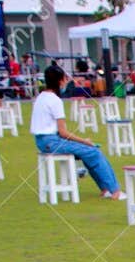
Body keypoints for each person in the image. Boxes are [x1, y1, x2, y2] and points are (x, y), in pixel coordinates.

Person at [31, 67, 124, 200]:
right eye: (64, 79)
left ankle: (105, 188)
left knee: (87, 152)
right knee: (93, 151)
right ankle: (114, 190)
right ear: (60, 81)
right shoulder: (55, 101)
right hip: (52, 142)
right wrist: (84, 141)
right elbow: (63, 132)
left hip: (42, 142)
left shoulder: (40, 97)